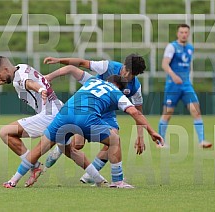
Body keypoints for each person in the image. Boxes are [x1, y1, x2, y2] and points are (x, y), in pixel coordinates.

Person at [3, 76, 164, 189]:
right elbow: (135, 112)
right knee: (114, 140)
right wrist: (151, 131)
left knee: (39, 149)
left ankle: (12, 181)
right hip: (86, 119)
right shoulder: (117, 93)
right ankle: (118, 182)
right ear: (120, 88)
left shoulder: (93, 81)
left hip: (64, 114)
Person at [0, 56, 104, 187]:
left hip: (48, 115)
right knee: (70, 151)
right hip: (59, 109)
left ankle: (34, 167)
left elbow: (29, 84)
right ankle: (99, 179)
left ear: (6, 70)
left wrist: (41, 89)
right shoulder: (21, 67)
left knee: (5, 133)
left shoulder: (19, 78)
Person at [42, 54, 147, 183]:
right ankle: (61, 147)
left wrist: (140, 136)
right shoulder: (108, 66)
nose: (126, 75)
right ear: (124, 65)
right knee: (78, 144)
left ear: (136, 74)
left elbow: (138, 113)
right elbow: (81, 63)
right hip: (90, 105)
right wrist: (59, 60)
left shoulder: (136, 88)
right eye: (126, 70)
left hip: (107, 112)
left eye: (131, 74)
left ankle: (90, 175)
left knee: (114, 140)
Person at [158, 24, 212, 148]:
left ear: (188, 34)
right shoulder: (172, 47)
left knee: (196, 111)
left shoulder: (190, 48)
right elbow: (164, 64)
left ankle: (202, 141)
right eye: (181, 32)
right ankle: (160, 142)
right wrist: (173, 76)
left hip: (186, 85)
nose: (184, 34)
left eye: (186, 32)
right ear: (178, 33)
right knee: (168, 113)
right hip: (173, 85)